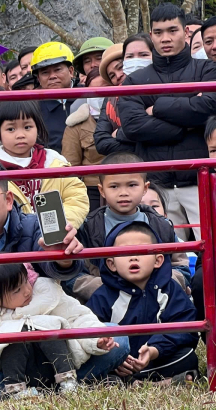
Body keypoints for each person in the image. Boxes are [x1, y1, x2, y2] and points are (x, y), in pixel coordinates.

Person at [0, 157, 121, 399]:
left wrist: (63, 257)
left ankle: (33, 386)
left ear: (9, 200)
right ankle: (51, 383)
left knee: (117, 336)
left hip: (47, 336)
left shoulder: (33, 225)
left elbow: (56, 267)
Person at [118, 3, 216, 242]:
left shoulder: (208, 70)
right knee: (168, 257)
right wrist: (189, 123)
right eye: (159, 32)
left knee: (213, 249)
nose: (166, 38)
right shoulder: (135, 81)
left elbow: (210, 107)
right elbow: (133, 126)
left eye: (172, 30)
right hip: (157, 186)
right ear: (151, 35)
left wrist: (158, 108)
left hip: (199, 179)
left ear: (186, 33)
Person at [0, 263, 119, 398]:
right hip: (8, 372)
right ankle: (17, 392)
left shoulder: (44, 292)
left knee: (119, 336)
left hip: (61, 363)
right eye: (17, 290)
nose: (27, 290)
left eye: (26, 281)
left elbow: (77, 317)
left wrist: (97, 339)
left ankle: (68, 383)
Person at [86, 222, 199, 384]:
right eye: (124, 252)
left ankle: (137, 382)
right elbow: (89, 332)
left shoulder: (170, 289)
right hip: (120, 365)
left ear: (158, 260)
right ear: (111, 264)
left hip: (157, 358)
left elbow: (186, 328)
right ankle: (161, 382)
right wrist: (114, 357)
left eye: (141, 251)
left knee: (188, 357)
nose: (133, 257)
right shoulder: (102, 296)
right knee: (94, 367)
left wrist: (154, 350)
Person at [69, 152, 191, 302]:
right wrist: (105, 290)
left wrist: (158, 286)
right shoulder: (89, 226)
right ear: (102, 191)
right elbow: (74, 274)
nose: (124, 193)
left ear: (145, 188)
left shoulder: (161, 224)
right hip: (106, 302)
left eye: (132, 185)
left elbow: (181, 267)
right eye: (114, 186)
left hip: (156, 299)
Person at [0, 100, 90, 228]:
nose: (20, 135)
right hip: (8, 240)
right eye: (11, 129)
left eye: (27, 127)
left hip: (53, 237)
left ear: (37, 127)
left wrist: (61, 227)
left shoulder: (53, 161)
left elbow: (76, 197)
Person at [94, 35, 150, 157]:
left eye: (120, 67)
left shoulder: (159, 86)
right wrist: (140, 148)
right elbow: (101, 142)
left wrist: (118, 134)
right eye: (112, 76)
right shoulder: (110, 100)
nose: (118, 76)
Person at [63, 68, 109, 213]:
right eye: (94, 89)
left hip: (127, 183)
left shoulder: (127, 115)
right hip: (93, 190)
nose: (100, 93)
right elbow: (71, 166)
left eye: (106, 88)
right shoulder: (76, 125)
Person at [29, 42, 77, 150]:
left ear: (71, 71)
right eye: (45, 73)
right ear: (39, 79)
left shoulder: (87, 96)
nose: (52, 76)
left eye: (57, 70)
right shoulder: (32, 107)